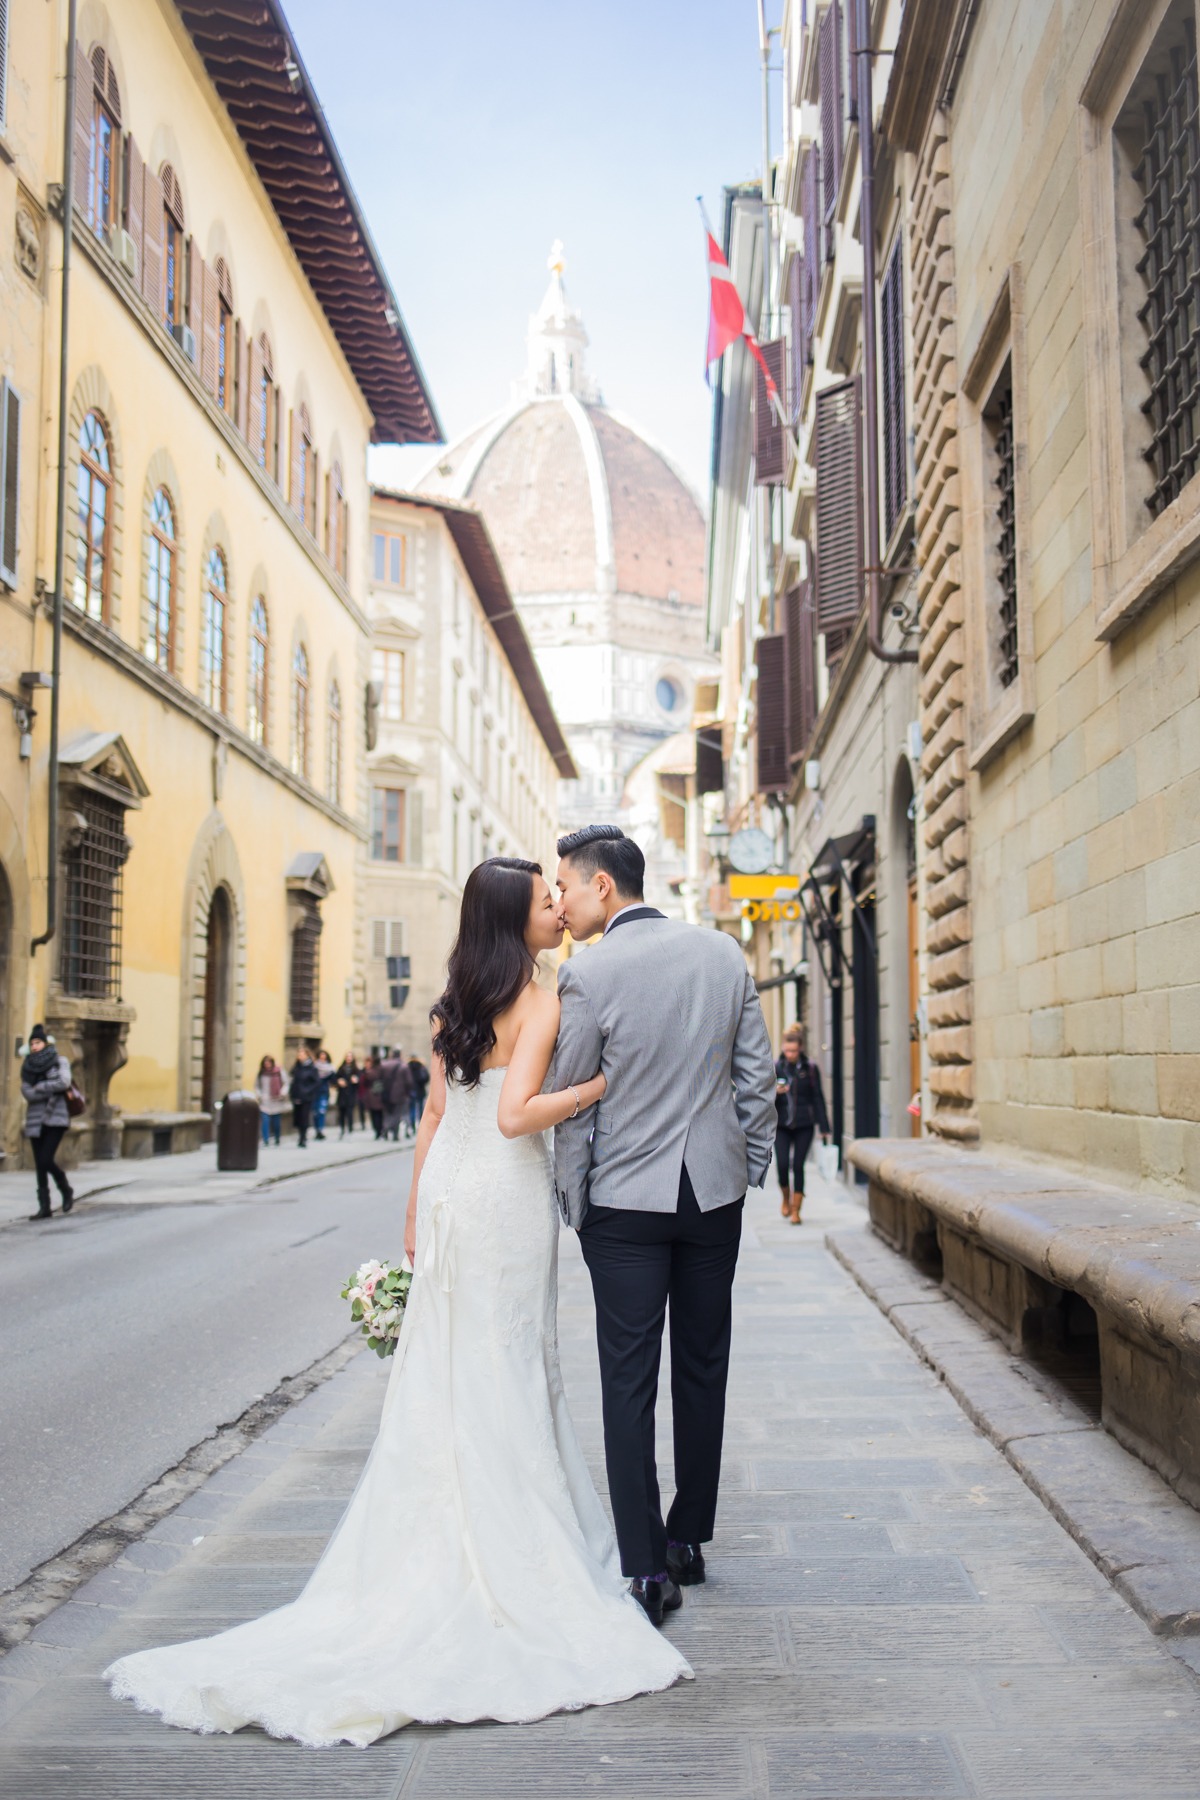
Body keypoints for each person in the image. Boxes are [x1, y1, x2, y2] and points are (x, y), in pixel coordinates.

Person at [106, 855, 688, 1744]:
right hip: (504, 1197)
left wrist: (415, 1210)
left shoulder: (450, 1006)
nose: (558, 911)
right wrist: (593, 1090)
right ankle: (509, 1548)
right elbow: (514, 1116)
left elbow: (430, 1121)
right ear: (512, 919)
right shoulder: (541, 1002)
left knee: (453, 1363)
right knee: (510, 1359)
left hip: (456, 1195)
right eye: (543, 902)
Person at [554, 824, 776, 1624]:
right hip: (713, 1196)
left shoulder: (588, 975)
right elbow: (757, 1077)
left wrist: (573, 1200)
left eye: (568, 886)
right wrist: (749, 1167)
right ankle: (690, 1536)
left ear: (603, 886)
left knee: (627, 1379)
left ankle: (646, 1568)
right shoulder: (722, 955)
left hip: (623, 1205)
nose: (562, 900)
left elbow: (573, 1100)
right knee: (704, 1366)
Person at [773, 1024, 831, 1224]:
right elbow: (762, 1097)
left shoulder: (810, 1069)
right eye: (787, 1050)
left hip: (804, 1125)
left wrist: (824, 1127)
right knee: (781, 1165)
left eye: (794, 1051)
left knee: (798, 1165)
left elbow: (818, 1098)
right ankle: (785, 1198)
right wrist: (774, 1092)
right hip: (781, 1125)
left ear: (800, 1049)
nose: (790, 1054)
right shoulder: (776, 1067)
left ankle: (796, 1210)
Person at [21, 1025, 74, 1221]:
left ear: (45, 1043)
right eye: (32, 1043)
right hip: (35, 1120)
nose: (35, 1046)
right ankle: (45, 1207)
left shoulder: (60, 1061)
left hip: (55, 1118)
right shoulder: (27, 1066)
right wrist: (49, 1089)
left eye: (38, 1042)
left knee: (45, 1159)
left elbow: (64, 1082)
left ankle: (65, 1188)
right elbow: (27, 1092)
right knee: (40, 1165)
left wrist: (41, 1086)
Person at [288, 1047, 321, 1148]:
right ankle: (300, 1135)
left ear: (307, 1055)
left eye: (302, 1054)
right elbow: (293, 1078)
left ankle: (303, 1138)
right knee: (298, 1117)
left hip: (307, 1097)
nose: (299, 1056)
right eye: (299, 1054)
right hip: (297, 1096)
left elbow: (316, 1082)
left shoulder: (312, 1068)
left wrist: (307, 1091)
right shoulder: (297, 1067)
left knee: (304, 1117)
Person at [255, 1055, 288, 1147]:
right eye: (265, 1062)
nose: (267, 1064)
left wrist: (282, 1092)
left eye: (269, 1062)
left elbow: (286, 1083)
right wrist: (259, 1095)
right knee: (265, 1121)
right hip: (265, 1100)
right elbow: (257, 1085)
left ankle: (277, 1137)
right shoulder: (261, 1073)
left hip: (276, 1099)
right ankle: (266, 1139)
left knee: (276, 1122)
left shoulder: (279, 1072)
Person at [380, 1047, 411, 1141]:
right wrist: (407, 1092)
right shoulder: (404, 1066)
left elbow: (380, 1078)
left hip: (386, 1093)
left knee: (387, 1113)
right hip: (399, 1094)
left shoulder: (384, 1065)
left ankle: (385, 1129)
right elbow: (409, 1082)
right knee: (397, 1114)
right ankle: (394, 1134)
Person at [311, 1049, 335, 1141]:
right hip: (315, 1092)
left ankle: (320, 1129)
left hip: (324, 1092)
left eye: (324, 1055)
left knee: (321, 1111)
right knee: (315, 1112)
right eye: (321, 1055)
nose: (322, 1057)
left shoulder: (330, 1068)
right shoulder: (314, 1067)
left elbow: (333, 1081)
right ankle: (316, 1130)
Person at [333, 1054, 359, 1137]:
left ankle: (350, 1128)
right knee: (342, 1113)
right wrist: (339, 1081)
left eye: (350, 1057)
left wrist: (356, 1081)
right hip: (342, 1094)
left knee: (350, 1112)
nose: (348, 1058)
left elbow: (360, 1081)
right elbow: (335, 1079)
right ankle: (342, 1128)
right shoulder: (341, 1068)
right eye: (347, 1057)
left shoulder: (355, 1069)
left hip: (351, 1094)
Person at [362, 1053, 385, 1139]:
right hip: (381, 1095)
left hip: (371, 1095)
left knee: (374, 1114)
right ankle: (381, 1130)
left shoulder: (369, 1072)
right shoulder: (382, 1070)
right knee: (380, 1114)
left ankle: (377, 1131)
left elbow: (364, 1083)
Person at [406, 1056, 429, 1135]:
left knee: (412, 1109)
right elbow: (426, 1079)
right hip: (420, 1091)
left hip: (411, 1092)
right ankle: (420, 1125)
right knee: (420, 1109)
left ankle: (412, 1126)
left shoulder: (407, 1067)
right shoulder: (421, 1067)